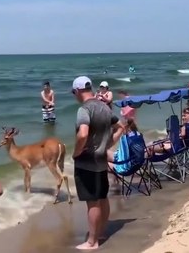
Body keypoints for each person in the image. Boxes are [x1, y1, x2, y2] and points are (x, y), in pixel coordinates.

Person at [71, 76, 121, 250]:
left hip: (87, 162)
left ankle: (92, 242)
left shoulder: (83, 110)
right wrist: (107, 144)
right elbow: (120, 126)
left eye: (73, 93)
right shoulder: (105, 108)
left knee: (92, 202)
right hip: (101, 160)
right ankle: (100, 232)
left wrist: (77, 151)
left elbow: (83, 134)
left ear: (77, 91)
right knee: (102, 198)